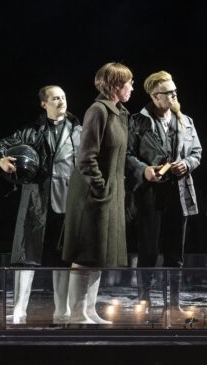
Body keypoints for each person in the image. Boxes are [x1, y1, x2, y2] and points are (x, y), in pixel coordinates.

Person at [0, 85, 81, 324]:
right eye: (55, 98)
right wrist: (1, 161)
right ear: (44, 104)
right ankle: (19, 310)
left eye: (63, 97)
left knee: (63, 257)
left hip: (67, 200)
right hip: (36, 200)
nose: (61, 101)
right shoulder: (31, 131)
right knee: (26, 256)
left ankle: (62, 311)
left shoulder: (78, 130)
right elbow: (0, 146)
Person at [62, 62, 133, 324]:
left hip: (109, 195)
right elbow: (86, 157)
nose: (132, 88)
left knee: (100, 254)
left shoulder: (119, 113)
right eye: (129, 83)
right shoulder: (98, 111)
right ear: (115, 86)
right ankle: (77, 313)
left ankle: (89, 310)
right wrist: (101, 187)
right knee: (86, 253)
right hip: (92, 196)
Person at [126, 71, 202, 314]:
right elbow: (127, 155)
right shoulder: (138, 121)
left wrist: (187, 164)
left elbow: (197, 153)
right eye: (168, 93)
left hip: (178, 191)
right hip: (150, 192)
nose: (174, 95)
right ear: (154, 96)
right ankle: (144, 300)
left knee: (175, 250)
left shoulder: (185, 121)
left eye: (175, 91)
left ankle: (174, 303)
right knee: (148, 249)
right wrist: (144, 170)